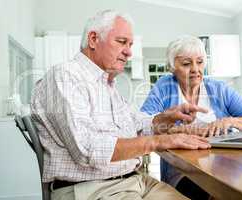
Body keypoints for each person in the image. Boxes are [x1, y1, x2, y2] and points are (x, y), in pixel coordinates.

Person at [30, 10, 211, 200]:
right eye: (122, 42)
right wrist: (159, 141)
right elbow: (87, 149)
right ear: (93, 39)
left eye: (130, 44)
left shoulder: (107, 86)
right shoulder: (66, 76)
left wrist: (163, 118)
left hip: (134, 181)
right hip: (92, 189)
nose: (129, 51)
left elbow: (137, 124)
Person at [141, 35, 242, 199]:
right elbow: (143, 123)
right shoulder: (164, 86)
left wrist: (230, 121)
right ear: (172, 67)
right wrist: (179, 130)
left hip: (225, 164)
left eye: (200, 62)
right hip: (183, 172)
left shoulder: (219, 89)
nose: (195, 69)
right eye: (186, 64)